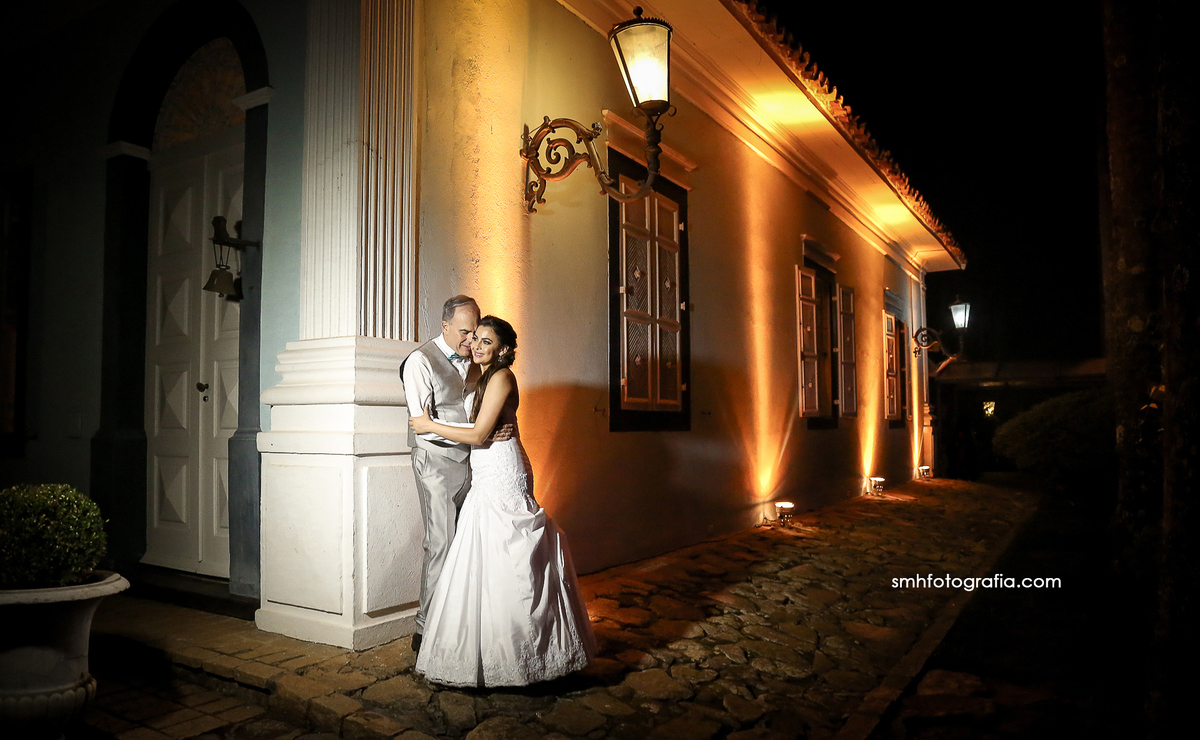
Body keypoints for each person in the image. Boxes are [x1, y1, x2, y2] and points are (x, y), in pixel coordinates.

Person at [409, 316, 595, 687]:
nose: (476, 346)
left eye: (486, 342)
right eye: (475, 339)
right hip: (486, 468)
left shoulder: (501, 377)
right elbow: (483, 427)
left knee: (511, 553)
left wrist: (429, 426)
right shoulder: (480, 376)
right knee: (483, 553)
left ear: (504, 349)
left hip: (502, 468)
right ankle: (485, 650)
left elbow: (479, 433)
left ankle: (528, 654)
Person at [400, 295, 512, 657]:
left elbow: (477, 413)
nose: (470, 340)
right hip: (437, 462)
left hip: (476, 464)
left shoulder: (479, 361)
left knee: (469, 546)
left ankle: (462, 626)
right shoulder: (419, 361)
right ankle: (425, 630)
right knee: (442, 545)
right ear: (444, 325)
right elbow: (422, 426)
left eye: (476, 333)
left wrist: (487, 431)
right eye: (465, 332)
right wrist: (478, 432)